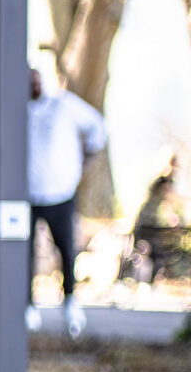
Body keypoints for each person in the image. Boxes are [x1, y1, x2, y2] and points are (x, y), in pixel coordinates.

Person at [28, 67, 109, 336]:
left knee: (65, 248)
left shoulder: (64, 104)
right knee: (25, 252)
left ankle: (71, 302)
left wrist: (84, 162)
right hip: (27, 194)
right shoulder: (20, 108)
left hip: (60, 193)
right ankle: (28, 305)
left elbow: (97, 127)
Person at [129, 154, 189, 285]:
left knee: (159, 254)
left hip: (154, 224)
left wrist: (175, 220)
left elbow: (166, 205)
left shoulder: (168, 182)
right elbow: (171, 197)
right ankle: (137, 283)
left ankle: (149, 284)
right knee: (146, 253)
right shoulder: (161, 181)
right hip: (146, 223)